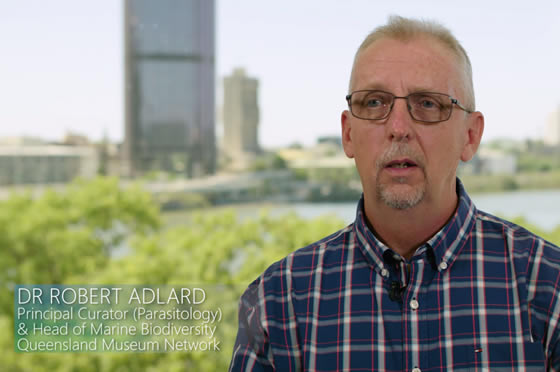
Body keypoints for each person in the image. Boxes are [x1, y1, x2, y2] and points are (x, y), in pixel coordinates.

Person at [229, 15, 560, 371]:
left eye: (428, 104)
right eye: (374, 103)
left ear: (470, 136)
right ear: (348, 134)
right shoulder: (279, 302)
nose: (399, 128)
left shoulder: (548, 287)